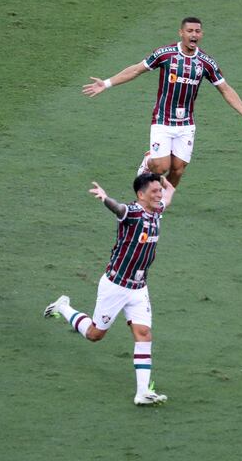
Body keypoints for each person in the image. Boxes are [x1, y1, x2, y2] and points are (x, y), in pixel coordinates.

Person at [82, 16, 242, 188]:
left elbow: (225, 89)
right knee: (161, 167)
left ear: (201, 34)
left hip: (186, 123)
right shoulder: (165, 54)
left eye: (197, 31)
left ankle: (161, 202)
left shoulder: (206, 62)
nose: (194, 35)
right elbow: (136, 70)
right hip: (162, 119)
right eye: (190, 31)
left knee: (178, 169)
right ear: (181, 33)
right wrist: (106, 83)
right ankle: (149, 160)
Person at [44, 173, 176, 406]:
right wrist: (105, 198)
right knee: (94, 335)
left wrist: (165, 182)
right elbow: (118, 208)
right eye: (154, 191)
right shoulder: (132, 213)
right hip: (116, 286)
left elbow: (170, 194)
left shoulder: (157, 210)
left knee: (144, 334)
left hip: (139, 288)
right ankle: (63, 307)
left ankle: (142, 392)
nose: (159, 195)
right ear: (141, 194)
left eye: (159, 191)